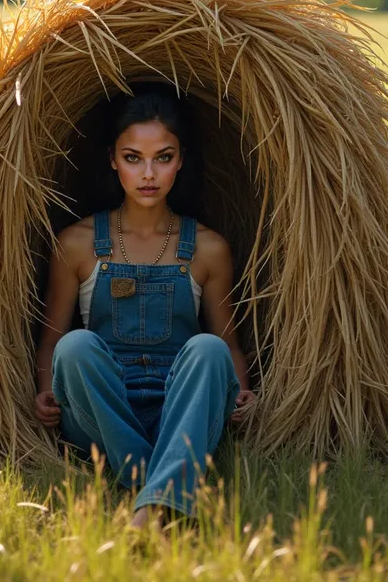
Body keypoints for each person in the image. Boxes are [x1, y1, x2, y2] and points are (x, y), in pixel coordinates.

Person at [35, 82, 255, 532]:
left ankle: (145, 497)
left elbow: (228, 343)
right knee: (77, 346)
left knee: (208, 350)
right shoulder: (76, 244)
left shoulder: (208, 248)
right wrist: (45, 389)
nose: (148, 173)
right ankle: (166, 487)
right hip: (101, 411)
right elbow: (53, 341)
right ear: (114, 160)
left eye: (164, 157)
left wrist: (241, 391)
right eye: (133, 157)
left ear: (181, 161)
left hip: (181, 406)